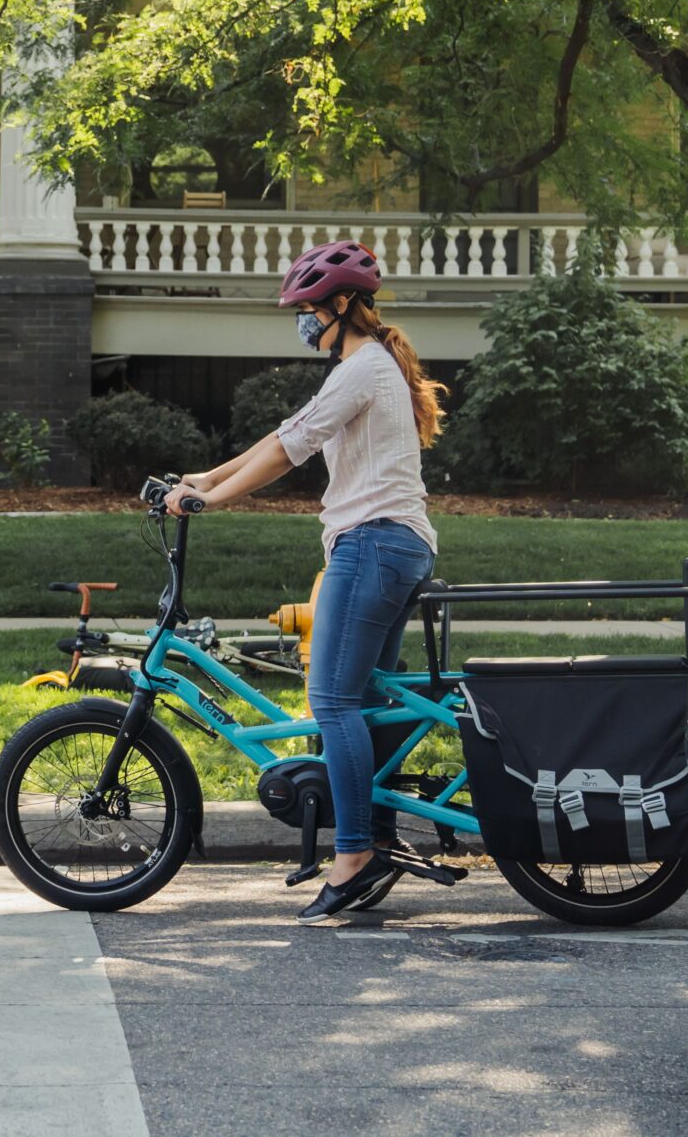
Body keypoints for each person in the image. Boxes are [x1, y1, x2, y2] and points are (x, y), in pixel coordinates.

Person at [165, 240, 445, 923]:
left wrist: (212, 501)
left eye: (309, 307)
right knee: (367, 699)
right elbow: (285, 434)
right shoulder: (366, 365)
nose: (303, 320)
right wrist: (206, 476)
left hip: (372, 544)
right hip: (393, 544)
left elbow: (291, 450)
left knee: (333, 702)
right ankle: (374, 833)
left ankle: (353, 856)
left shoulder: (363, 368)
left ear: (343, 304)